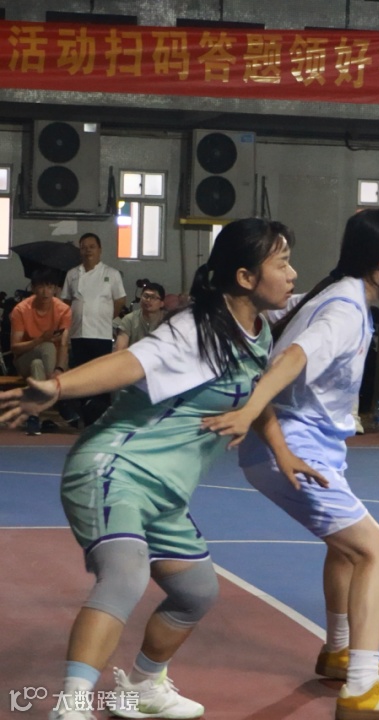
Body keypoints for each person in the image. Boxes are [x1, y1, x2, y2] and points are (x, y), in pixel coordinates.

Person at [0, 218, 323, 720]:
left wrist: (282, 452)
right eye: (282, 264)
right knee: (125, 575)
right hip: (116, 467)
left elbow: (253, 396)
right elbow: (131, 363)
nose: (292, 273)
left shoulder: (256, 331)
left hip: (165, 493)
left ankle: (144, 686)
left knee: (196, 592)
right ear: (245, 277)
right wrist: (58, 388)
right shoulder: (196, 330)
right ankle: (72, 706)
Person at [201, 209, 379, 720]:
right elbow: (294, 357)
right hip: (293, 448)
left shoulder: (339, 295)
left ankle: (339, 651)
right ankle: (362, 688)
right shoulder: (345, 309)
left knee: (346, 549)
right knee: (375, 550)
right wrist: (251, 409)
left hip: (312, 446)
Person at [62, 232, 128, 426]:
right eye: (84, 247)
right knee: (81, 376)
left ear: (100, 250)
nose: (88, 250)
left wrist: (104, 317)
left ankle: (100, 418)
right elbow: (66, 301)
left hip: (101, 334)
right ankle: (85, 416)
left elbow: (120, 300)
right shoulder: (72, 274)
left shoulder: (111, 274)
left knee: (100, 376)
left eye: (92, 247)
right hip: (78, 333)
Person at [9, 269, 72, 435]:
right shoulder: (21, 310)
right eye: (41, 287)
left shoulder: (63, 310)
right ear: (33, 288)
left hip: (51, 362)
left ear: (56, 289)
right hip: (24, 358)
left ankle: (33, 417)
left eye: (50, 287)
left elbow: (64, 344)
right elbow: (15, 347)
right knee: (47, 346)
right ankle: (58, 397)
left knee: (37, 365)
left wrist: (59, 369)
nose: (46, 292)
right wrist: (40, 340)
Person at [113, 282, 166, 351]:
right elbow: (120, 349)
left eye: (153, 297)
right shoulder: (129, 319)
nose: (148, 300)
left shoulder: (168, 320)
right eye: (145, 296)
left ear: (162, 303)